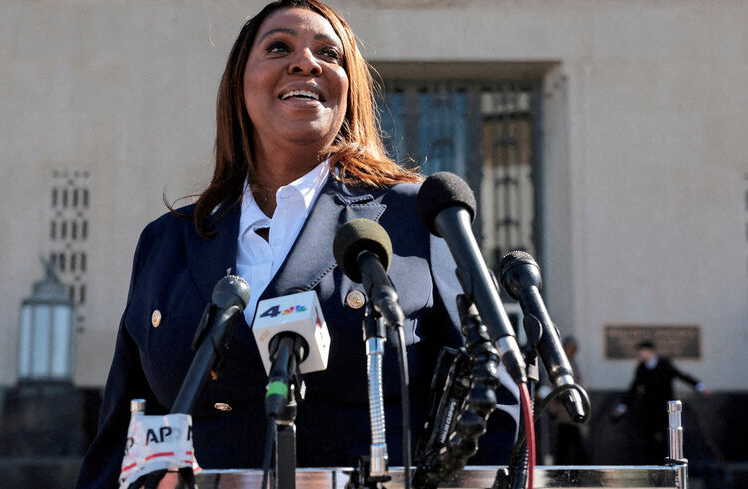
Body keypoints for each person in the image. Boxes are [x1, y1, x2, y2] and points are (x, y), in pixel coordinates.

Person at [75, 1, 519, 487]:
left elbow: (494, 397)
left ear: (350, 89)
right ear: (240, 85)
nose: (306, 62)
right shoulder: (167, 240)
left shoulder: (416, 217)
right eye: (279, 47)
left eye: (329, 54)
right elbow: (123, 430)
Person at [611, 340, 705, 463]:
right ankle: (653, 463)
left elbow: (680, 375)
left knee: (667, 437)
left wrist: (699, 386)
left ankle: (669, 462)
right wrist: (623, 407)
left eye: (642, 352)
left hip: (666, 409)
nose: (639, 356)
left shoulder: (664, 364)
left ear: (650, 352)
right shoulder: (642, 368)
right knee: (650, 438)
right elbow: (633, 388)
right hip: (649, 410)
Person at [548, 336, 588, 465]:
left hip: (573, 407)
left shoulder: (573, 361)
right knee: (564, 440)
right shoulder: (561, 363)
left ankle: (577, 466)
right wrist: (553, 404)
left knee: (574, 439)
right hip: (564, 408)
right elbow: (553, 385)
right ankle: (561, 466)